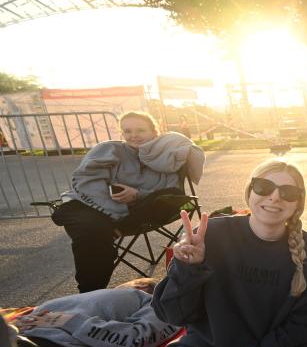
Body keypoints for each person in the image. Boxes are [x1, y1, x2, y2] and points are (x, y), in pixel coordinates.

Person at [131, 159, 307, 347]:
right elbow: (172, 314)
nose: (274, 197)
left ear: (298, 203)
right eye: (264, 187)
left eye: (287, 192)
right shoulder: (211, 235)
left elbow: (306, 323)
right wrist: (189, 269)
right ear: (249, 191)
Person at [53, 110, 204, 292]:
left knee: (172, 198)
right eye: (127, 131)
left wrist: (137, 195)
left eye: (140, 130)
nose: (134, 135)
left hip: (139, 211)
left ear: (155, 132)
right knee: (91, 232)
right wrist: (113, 207)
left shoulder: (167, 156)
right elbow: (86, 180)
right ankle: (90, 292)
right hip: (91, 204)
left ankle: (93, 285)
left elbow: (172, 194)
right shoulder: (111, 149)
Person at [12, 278, 179, 347]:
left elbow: (135, 341)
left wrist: (69, 322)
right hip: (16, 339)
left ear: (140, 284)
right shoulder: (85, 298)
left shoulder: (151, 301)